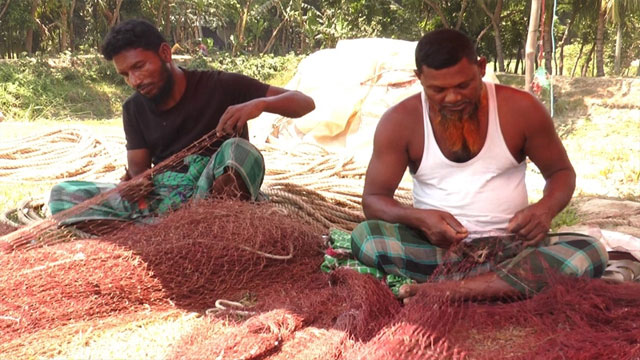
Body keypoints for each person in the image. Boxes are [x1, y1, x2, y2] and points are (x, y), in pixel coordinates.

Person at [350, 29, 607, 302]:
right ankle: (499, 287)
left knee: (589, 250)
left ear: (481, 68)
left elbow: (561, 173)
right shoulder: (399, 122)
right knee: (366, 238)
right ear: (419, 78)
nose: (452, 98)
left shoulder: (522, 109)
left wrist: (544, 210)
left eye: (463, 85)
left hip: (513, 248)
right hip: (437, 252)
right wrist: (420, 219)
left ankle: (445, 291)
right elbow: (374, 200)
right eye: (437, 90)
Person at [48, 19, 315, 228]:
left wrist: (259, 104)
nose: (134, 81)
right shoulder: (133, 109)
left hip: (215, 195)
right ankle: (169, 230)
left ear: (165, 53)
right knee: (63, 196)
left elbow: (305, 103)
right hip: (166, 200)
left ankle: (212, 227)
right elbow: (140, 174)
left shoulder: (221, 85)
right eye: (125, 74)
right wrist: (135, 185)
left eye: (139, 67)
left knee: (239, 152)